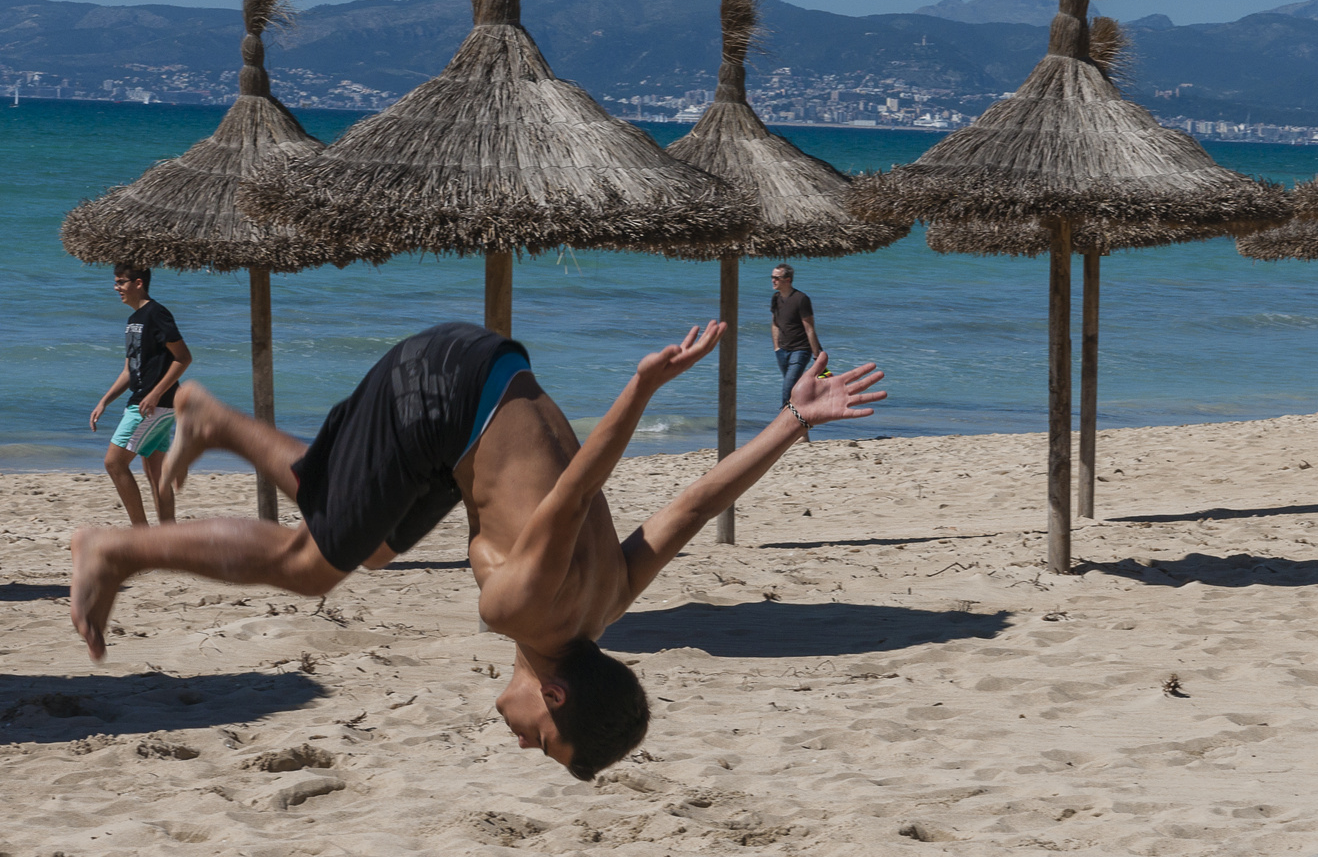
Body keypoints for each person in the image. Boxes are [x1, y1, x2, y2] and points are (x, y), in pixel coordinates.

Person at [69, 320, 884, 780]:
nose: (522, 739)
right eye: (541, 739)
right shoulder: (524, 609)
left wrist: (791, 423)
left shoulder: (609, 602)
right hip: (448, 390)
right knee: (309, 564)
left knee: (371, 545)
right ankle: (116, 550)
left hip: (473, 402)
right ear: (556, 699)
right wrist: (640, 389)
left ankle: (214, 421)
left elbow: (693, 505)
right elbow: (570, 496)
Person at [87, 264, 193, 526]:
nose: (116, 288)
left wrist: (156, 394)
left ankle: (141, 533)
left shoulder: (156, 314)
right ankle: (169, 539)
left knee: (114, 463)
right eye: (115, 282)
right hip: (145, 401)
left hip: (154, 404)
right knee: (156, 472)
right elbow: (129, 370)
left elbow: (183, 358)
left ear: (138, 283)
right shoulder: (133, 319)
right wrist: (105, 401)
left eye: (121, 282)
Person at [770, 264, 821, 407]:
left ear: (787, 280)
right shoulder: (775, 298)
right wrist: (776, 347)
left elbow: (809, 328)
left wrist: (817, 356)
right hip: (782, 351)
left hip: (800, 349)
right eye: (772, 277)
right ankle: (801, 424)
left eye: (776, 278)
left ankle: (784, 421)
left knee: (788, 389)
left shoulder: (801, 299)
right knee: (793, 388)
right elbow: (775, 323)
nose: (773, 280)